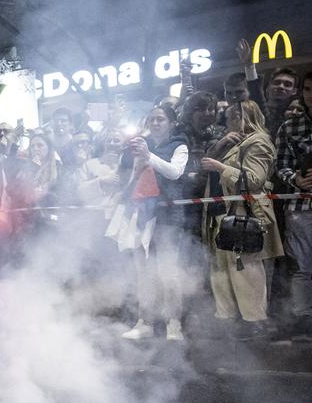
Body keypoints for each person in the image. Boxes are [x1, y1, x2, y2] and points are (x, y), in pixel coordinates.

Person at [200, 100, 282, 337]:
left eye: (231, 117)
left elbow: (254, 180)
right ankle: (227, 321)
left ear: (243, 116)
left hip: (241, 214)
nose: (227, 122)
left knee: (245, 271)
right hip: (219, 213)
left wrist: (220, 167)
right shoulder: (231, 141)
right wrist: (221, 147)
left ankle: (254, 324)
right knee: (220, 272)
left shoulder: (259, 141)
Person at [111, 105, 189, 342]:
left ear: (171, 123)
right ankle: (144, 321)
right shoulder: (139, 145)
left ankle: (173, 323)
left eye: (161, 119)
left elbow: (175, 172)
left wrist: (148, 156)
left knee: (168, 273)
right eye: (152, 119)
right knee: (142, 272)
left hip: (167, 218)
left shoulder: (179, 145)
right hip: (140, 216)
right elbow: (127, 177)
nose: (155, 123)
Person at [274, 95, 312, 331]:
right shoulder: (290, 127)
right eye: (307, 89)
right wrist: (297, 178)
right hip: (300, 207)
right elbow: (280, 165)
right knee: (302, 266)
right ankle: (303, 317)